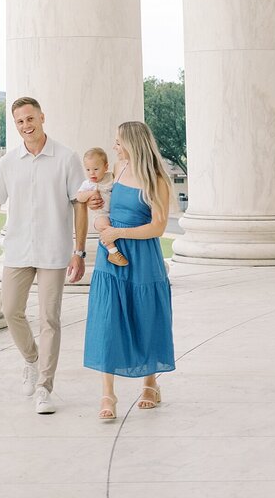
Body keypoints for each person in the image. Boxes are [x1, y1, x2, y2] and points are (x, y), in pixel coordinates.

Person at [0, 97, 87, 413]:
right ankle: (32, 359)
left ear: (42, 117)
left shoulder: (67, 158)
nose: (26, 126)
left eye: (30, 119)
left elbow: (79, 204)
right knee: (10, 310)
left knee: (49, 319)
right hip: (18, 250)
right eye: (20, 122)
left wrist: (79, 251)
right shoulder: (8, 162)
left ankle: (44, 387)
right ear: (15, 125)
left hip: (54, 251)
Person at [83, 119, 175, 422]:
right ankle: (107, 393)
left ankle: (151, 384)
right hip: (110, 257)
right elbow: (101, 204)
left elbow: (158, 227)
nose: (114, 147)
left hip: (142, 256)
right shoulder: (118, 170)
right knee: (107, 320)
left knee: (145, 318)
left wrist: (119, 235)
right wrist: (99, 218)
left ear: (133, 144)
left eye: (119, 142)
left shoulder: (157, 179)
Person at [76, 147, 127, 265]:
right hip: (100, 214)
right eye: (88, 169)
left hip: (115, 212)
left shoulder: (111, 177)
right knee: (104, 226)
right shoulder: (88, 184)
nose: (91, 173)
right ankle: (113, 252)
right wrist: (91, 193)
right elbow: (79, 197)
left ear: (106, 167)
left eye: (95, 169)